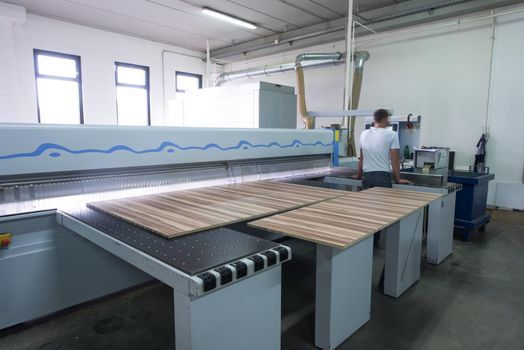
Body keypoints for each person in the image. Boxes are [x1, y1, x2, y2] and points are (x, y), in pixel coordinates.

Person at [353, 108, 410, 247]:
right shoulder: (392, 134)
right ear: (385, 119)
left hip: (367, 177)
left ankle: (366, 242)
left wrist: (358, 175)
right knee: (380, 213)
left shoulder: (364, 134)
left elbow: (361, 158)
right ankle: (375, 243)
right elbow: (395, 160)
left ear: (374, 119)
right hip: (382, 177)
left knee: (367, 211)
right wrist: (398, 179)